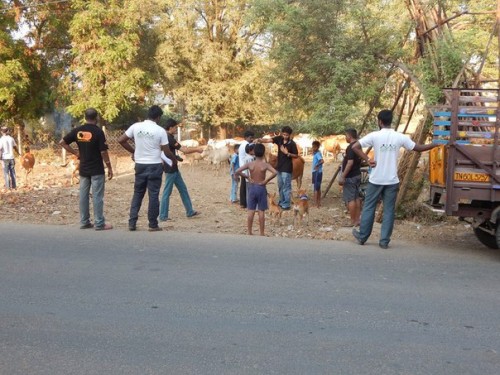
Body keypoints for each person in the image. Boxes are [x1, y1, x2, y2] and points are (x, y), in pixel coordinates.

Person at [351, 109, 438, 249]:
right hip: (392, 180)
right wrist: (435, 144)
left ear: (379, 121)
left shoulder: (375, 135)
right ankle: (384, 241)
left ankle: (362, 237)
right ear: (391, 121)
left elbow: (355, 146)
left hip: (376, 179)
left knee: (369, 207)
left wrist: (368, 159)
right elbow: (419, 148)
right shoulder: (400, 137)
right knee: (389, 210)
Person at [118, 105, 177, 232]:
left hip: (140, 165)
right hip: (155, 165)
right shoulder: (160, 130)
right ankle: (152, 224)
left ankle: (132, 222)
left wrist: (134, 151)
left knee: (138, 193)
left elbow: (121, 140)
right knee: (153, 195)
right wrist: (174, 159)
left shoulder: (136, 126)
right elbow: (166, 152)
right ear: (159, 117)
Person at [59, 108, 114, 230]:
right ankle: (99, 223)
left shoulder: (78, 131)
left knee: (83, 196)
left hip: (83, 168)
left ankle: (84, 221)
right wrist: (109, 167)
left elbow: (62, 142)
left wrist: (76, 153)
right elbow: (103, 151)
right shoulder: (98, 132)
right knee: (97, 196)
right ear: (97, 118)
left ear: (85, 117)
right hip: (97, 169)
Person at [159, 118, 203, 221]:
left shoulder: (164, 137)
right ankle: (163, 215)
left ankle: (190, 211)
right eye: (175, 127)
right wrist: (197, 149)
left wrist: (176, 157)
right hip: (170, 168)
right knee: (167, 192)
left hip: (172, 167)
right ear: (170, 127)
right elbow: (184, 150)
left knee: (183, 189)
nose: (176, 129)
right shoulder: (169, 138)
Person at [235, 143, 277, 236]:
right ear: (263, 153)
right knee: (261, 211)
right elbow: (275, 172)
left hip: (252, 187)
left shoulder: (250, 164)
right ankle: (262, 233)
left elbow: (237, 171)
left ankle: (249, 231)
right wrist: (266, 180)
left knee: (251, 210)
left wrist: (247, 176)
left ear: (253, 152)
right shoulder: (265, 165)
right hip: (261, 187)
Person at [259, 126, 299, 210]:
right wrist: (260, 140)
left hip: (287, 168)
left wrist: (287, 153)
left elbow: (296, 155)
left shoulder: (292, 143)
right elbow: (268, 140)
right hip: (279, 167)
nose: (285, 136)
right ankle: (281, 201)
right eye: (283, 134)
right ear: (282, 133)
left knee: (286, 186)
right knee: (280, 185)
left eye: (287, 135)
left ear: (290, 135)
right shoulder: (279, 139)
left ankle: (287, 204)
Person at [338, 128, 362, 226]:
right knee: (356, 198)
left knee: (350, 199)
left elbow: (350, 162)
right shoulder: (359, 146)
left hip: (351, 176)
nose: (345, 138)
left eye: (346, 136)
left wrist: (343, 176)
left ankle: (353, 221)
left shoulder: (351, 147)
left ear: (349, 136)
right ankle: (357, 220)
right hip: (357, 174)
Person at [238, 130, 255, 209]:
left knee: (243, 185)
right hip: (246, 167)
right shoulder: (247, 145)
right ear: (245, 137)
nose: (252, 139)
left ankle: (243, 203)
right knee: (246, 186)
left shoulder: (242, 144)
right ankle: (246, 203)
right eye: (250, 138)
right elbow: (250, 153)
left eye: (252, 138)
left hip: (243, 166)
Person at [0, 126, 20, 190]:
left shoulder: (1, 139)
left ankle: (8, 187)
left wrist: (0, 158)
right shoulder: (11, 138)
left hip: (5, 158)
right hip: (11, 157)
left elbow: (0, 149)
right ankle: (14, 186)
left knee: (6, 172)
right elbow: (15, 147)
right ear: (8, 131)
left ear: (1, 132)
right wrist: (18, 153)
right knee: (12, 172)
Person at [311, 140, 324, 208]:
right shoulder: (317, 153)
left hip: (317, 172)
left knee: (316, 188)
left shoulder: (318, 154)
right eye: (312, 147)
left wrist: (317, 165)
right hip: (316, 172)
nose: (313, 148)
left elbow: (322, 161)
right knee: (317, 188)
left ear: (317, 147)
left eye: (314, 147)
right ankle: (318, 202)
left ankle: (315, 203)